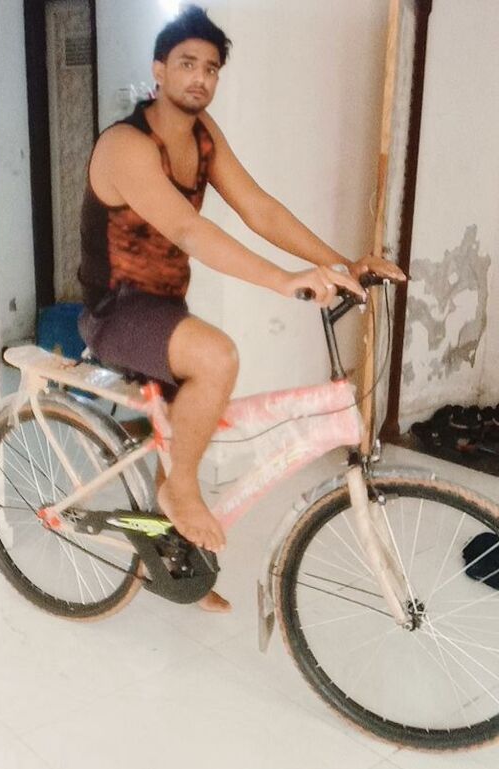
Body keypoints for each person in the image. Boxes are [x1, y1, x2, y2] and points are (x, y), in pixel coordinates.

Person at [78, 5, 405, 611]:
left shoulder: (202, 135)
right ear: (159, 69)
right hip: (116, 311)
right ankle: (182, 494)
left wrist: (342, 265)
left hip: (163, 308)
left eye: (210, 68)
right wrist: (282, 280)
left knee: (184, 422)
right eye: (187, 64)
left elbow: (260, 208)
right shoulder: (126, 144)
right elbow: (188, 229)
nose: (200, 77)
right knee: (217, 357)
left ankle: (177, 565)